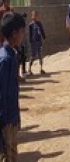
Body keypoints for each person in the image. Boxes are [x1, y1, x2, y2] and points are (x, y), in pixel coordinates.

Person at [0, 12, 26, 161]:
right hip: (6, 121)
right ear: (15, 33)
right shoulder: (5, 59)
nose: (23, 35)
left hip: (12, 118)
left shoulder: (12, 55)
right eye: (22, 32)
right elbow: (2, 94)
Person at [28, 11, 46, 75]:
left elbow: (42, 30)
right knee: (33, 56)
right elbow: (30, 34)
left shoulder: (39, 23)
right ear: (32, 16)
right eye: (33, 15)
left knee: (40, 55)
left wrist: (44, 37)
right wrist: (31, 41)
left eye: (36, 15)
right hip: (34, 42)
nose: (35, 17)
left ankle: (41, 69)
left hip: (39, 41)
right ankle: (29, 69)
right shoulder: (31, 25)